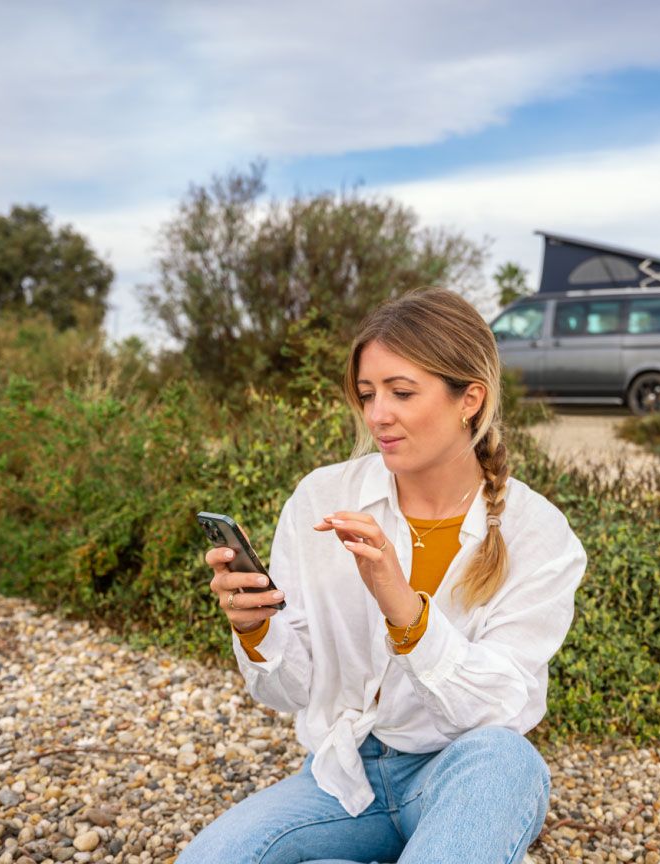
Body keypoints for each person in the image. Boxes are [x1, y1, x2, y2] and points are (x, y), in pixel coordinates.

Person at [179, 288, 588, 864]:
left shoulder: (538, 534)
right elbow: (289, 690)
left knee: (508, 761)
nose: (377, 416)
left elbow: (500, 711)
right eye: (368, 394)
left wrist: (406, 609)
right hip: (343, 778)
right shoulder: (323, 496)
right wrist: (254, 630)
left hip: (459, 775)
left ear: (469, 398)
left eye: (401, 392)